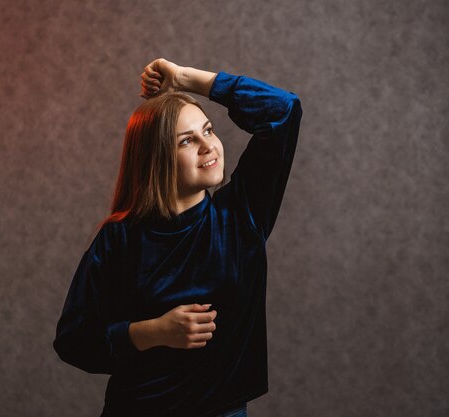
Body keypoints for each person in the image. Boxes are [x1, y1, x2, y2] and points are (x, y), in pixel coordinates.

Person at [53, 58, 302, 417]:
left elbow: (284, 109)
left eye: (209, 129)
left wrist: (184, 79)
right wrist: (152, 332)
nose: (209, 146)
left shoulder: (241, 216)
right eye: (188, 140)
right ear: (158, 158)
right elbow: (73, 340)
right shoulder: (120, 238)